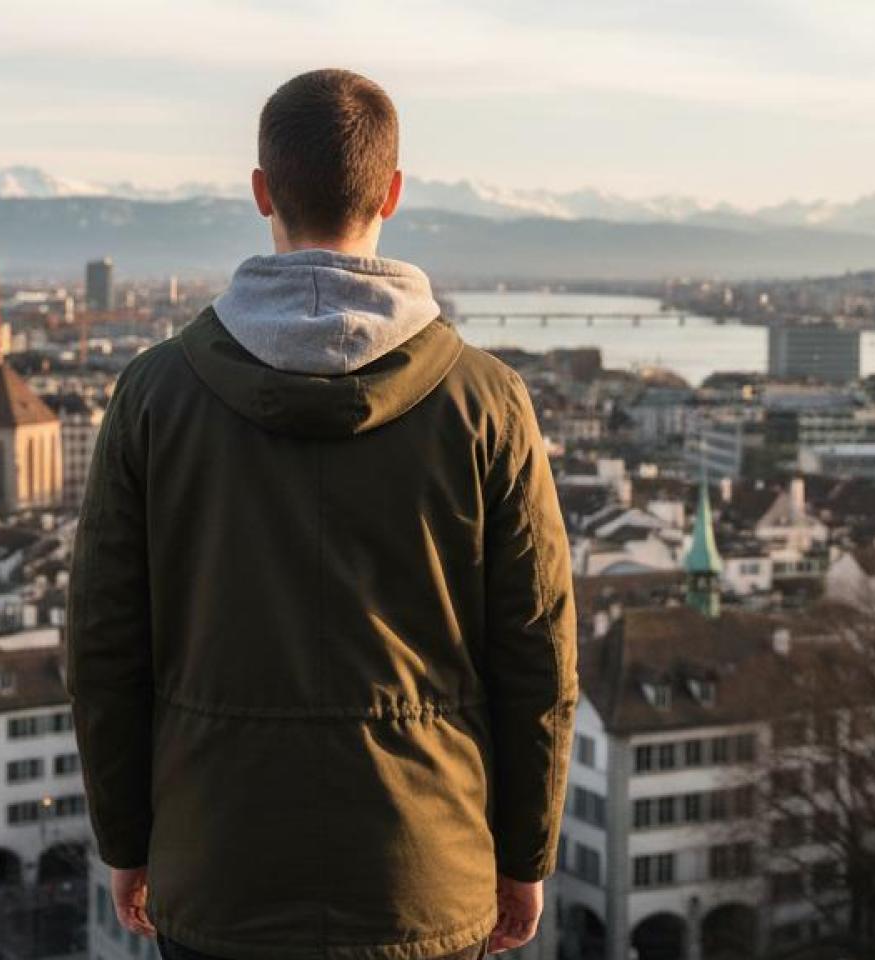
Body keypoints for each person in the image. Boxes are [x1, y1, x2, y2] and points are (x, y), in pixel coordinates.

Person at [67, 68, 577, 960]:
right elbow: (537, 651)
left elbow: (103, 646)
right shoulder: (487, 402)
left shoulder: (154, 394)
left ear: (262, 190)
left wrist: (129, 839)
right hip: (423, 876)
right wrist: (525, 852)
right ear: (392, 193)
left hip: (218, 869)